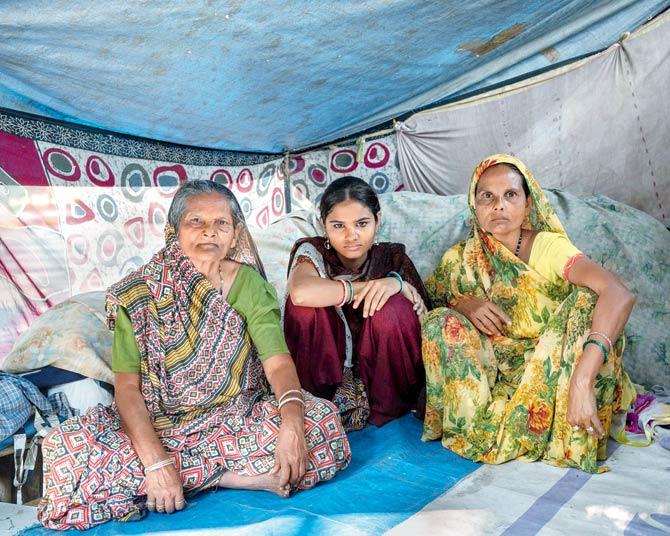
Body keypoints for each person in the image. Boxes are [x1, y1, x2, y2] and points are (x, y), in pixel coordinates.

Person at [38, 181, 351, 530]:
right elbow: (126, 388)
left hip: (235, 417)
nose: (209, 233)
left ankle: (184, 480)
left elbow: (276, 362)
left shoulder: (248, 285)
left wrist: (292, 425)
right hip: (161, 425)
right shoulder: (139, 294)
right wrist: (156, 461)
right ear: (174, 232)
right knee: (62, 448)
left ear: (235, 235)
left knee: (321, 423)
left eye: (221, 223)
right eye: (196, 222)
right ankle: (229, 477)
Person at [421, 154, 636, 473]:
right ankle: (476, 429)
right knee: (440, 321)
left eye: (510, 195)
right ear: (474, 206)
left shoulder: (548, 247)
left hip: (560, 375)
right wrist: (464, 304)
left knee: (588, 299)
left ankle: (571, 408)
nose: (499, 206)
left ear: (528, 204)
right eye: (487, 197)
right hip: (499, 379)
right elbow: (431, 300)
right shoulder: (460, 259)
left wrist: (582, 379)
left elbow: (618, 293)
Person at [283, 176, 429, 430]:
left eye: (362, 224)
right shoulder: (313, 252)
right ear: (323, 225)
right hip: (326, 380)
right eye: (338, 225)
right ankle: (318, 407)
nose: (352, 236)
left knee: (393, 309)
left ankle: (389, 411)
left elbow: (425, 318)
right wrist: (366, 288)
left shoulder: (392, 257)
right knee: (305, 309)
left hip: (388, 382)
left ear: (377, 221)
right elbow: (301, 292)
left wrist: (397, 284)